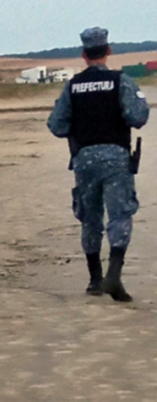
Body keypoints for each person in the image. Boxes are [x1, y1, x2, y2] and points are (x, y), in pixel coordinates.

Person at [48, 27, 149, 302]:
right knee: (120, 214)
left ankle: (95, 279)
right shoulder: (121, 81)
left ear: (84, 54)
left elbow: (57, 125)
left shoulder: (73, 86)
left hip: (84, 159)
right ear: (109, 51)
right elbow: (138, 117)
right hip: (116, 157)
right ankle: (114, 274)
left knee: (90, 218)